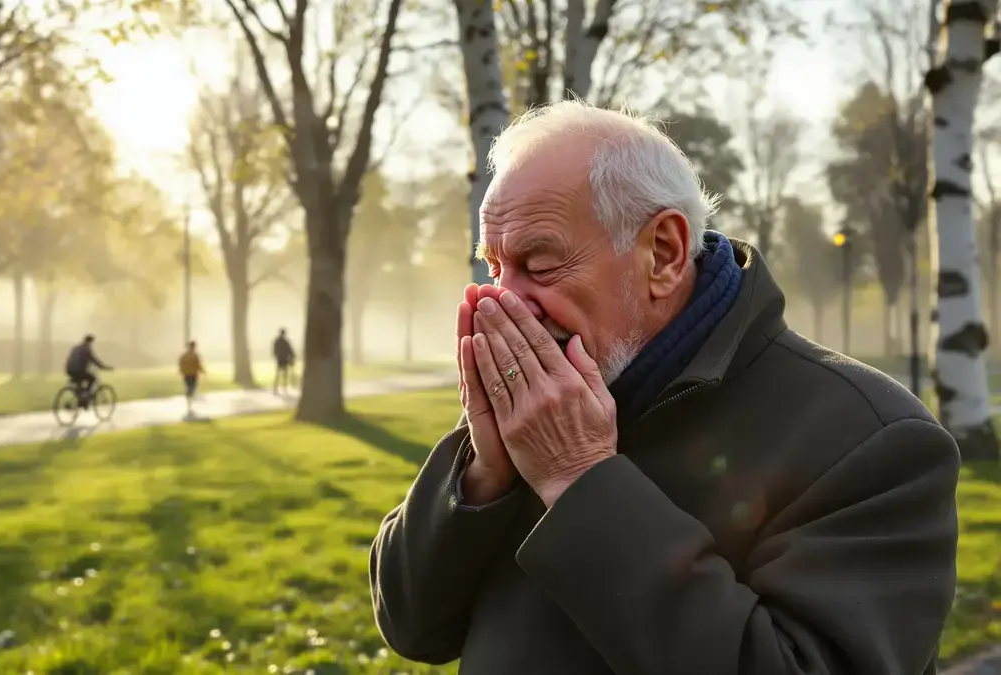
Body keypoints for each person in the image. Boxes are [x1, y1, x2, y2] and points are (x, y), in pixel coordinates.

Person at [369, 101, 958, 675]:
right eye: (495, 268)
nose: (506, 301)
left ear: (665, 254)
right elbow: (411, 626)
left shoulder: (872, 438)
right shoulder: (541, 398)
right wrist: (480, 476)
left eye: (539, 264)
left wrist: (579, 478)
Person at [64, 334, 112, 408]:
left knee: (79, 384)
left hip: (69, 370)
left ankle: (81, 400)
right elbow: (95, 361)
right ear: (90, 342)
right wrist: (105, 367)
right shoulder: (87, 349)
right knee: (93, 378)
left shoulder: (76, 348)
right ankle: (85, 398)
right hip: (79, 371)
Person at [178, 340, 205, 413]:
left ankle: (188, 394)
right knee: (193, 386)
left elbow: (181, 364)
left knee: (188, 385)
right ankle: (190, 394)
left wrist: (181, 370)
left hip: (186, 374)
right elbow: (198, 364)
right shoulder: (195, 355)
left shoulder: (184, 355)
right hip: (193, 373)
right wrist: (202, 371)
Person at [272, 328, 296, 395]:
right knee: (284, 374)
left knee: (278, 374)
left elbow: (274, 351)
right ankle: (283, 388)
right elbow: (290, 350)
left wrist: (276, 356)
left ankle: (276, 389)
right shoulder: (285, 341)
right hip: (284, 359)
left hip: (280, 359)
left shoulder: (277, 341)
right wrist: (292, 357)